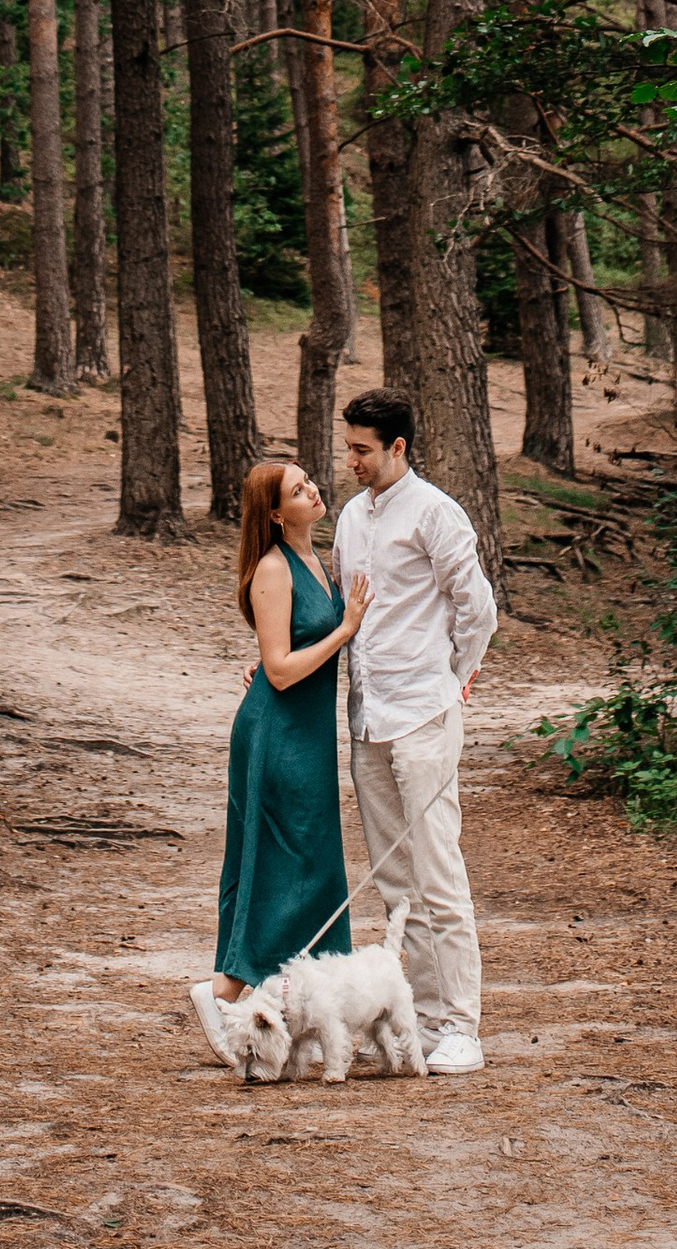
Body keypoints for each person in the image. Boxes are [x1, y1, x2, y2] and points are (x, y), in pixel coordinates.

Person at [332, 386, 496, 1077]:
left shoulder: (436, 511)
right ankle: (418, 1019)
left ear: (398, 445)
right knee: (396, 882)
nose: (352, 460)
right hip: (367, 715)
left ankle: (461, 1024)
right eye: (349, 447)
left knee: (438, 872)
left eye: (363, 449)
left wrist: (452, 678)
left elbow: (476, 607)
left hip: (424, 714)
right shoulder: (348, 516)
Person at [190, 457, 370, 1061]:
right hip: (276, 736)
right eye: (298, 490)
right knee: (277, 866)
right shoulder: (273, 567)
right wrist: (344, 630)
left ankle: (317, 1013)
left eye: (309, 480)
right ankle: (221, 994)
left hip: (307, 736)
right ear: (274, 513)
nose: (313, 490)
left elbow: (281, 652)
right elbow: (280, 670)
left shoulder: (319, 558)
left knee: (316, 866)